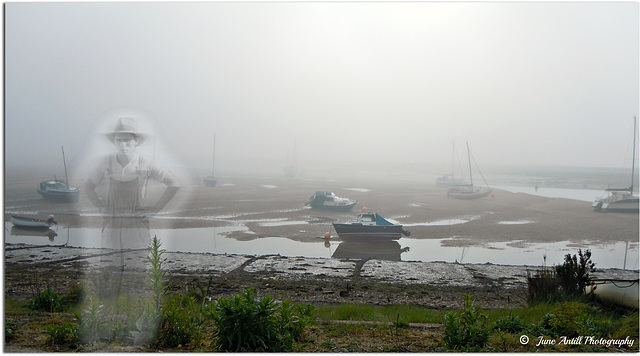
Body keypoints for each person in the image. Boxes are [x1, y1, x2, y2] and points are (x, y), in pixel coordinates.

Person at [83, 117, 180, 343]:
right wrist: (101, 207)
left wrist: (154, 209)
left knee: (137, 279)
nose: (124, 144)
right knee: (109, 278)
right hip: (111, 230)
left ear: (135, 142)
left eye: (128, 140)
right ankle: (106, 328)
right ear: (114, 141)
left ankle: (135, 330)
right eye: (120, 140)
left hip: (137, 230)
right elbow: (88, 187)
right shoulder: (106, 164)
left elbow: (174, 184)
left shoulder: (145, 163)